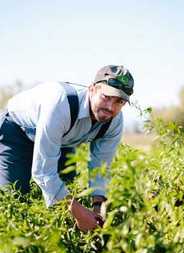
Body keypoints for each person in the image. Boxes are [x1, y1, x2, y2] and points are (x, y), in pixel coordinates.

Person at [0, 65, 134, 232]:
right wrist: (80, 213)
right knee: (14, 199)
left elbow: (100, 167)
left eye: (119, 102)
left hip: (61, 139)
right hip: (16, 131)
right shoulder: (61, 104)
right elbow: (43, 172)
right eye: (106, 97)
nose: (110, 107)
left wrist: (98, 207)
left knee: (66, 186)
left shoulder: (114, 121)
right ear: (92, 89)